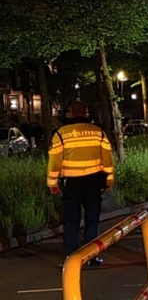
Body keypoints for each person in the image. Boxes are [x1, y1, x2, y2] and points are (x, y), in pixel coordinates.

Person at [47, 103, 114, 267]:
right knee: (92, 219)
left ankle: (70, 259)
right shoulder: (98, 132)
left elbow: (55, 161)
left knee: (71, 220)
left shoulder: (61, 134)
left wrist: (52, 183)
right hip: (93, 182)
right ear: (86, 113)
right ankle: (91, 256)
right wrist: (109, 179)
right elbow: (107, 158)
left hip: (71, 183)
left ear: (70, 114)